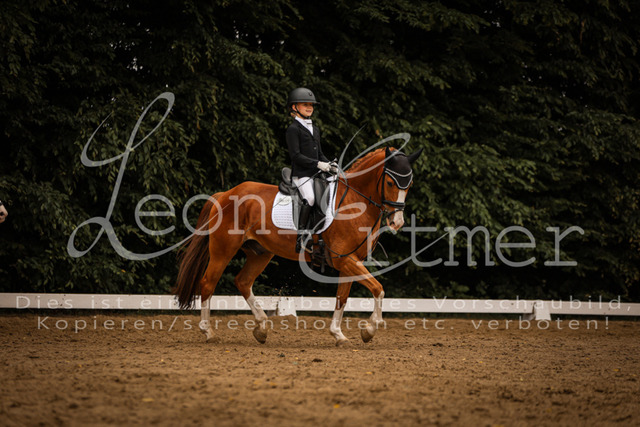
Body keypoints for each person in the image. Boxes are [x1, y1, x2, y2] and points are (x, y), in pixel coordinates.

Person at [285, 87, 337, 253]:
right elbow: (296, 156)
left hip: (316, 174)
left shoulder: (314, 129)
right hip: (301, 175)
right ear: (294, 107)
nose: (309, 108)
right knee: (310, 198)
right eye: (305, 104)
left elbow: (319, 153)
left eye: (311, 105)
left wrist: (330, 164)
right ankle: (301, 237)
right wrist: (317, 164)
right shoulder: (293, 129)